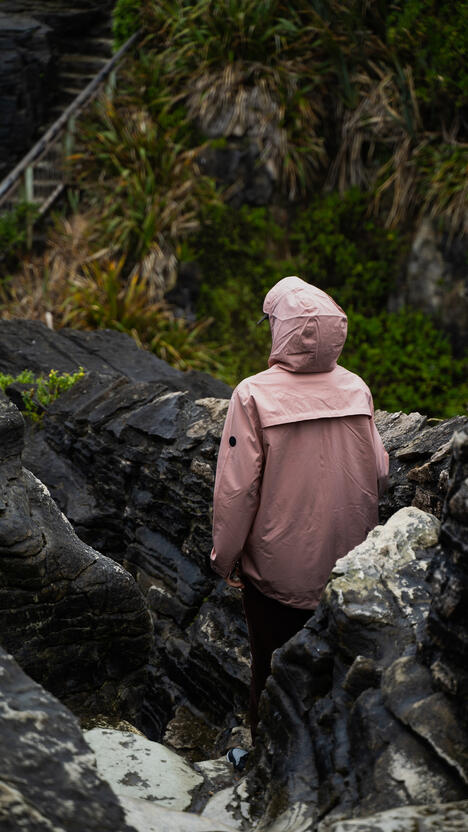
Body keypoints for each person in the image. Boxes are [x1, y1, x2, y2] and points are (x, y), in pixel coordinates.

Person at [210, 276, 388, 763]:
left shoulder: (253, 395)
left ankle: (266, 766)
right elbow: (379, 470)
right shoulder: (355, 387)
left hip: (276, 573)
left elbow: (236, 492)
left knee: (270, 673)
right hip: (351, 567)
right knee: (337, 673)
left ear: (279, 328)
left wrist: (223, 558)